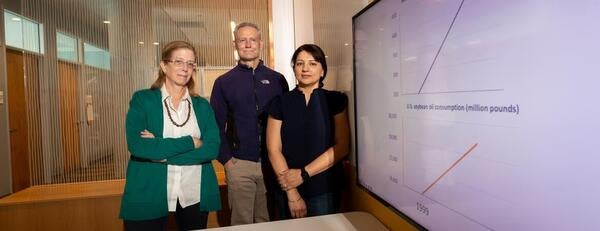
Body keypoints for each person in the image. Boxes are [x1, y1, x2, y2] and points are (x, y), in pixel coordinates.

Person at [120, 40, 221, 231]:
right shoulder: (143, 99)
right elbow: (138, 146)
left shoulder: (202, 106)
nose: (185, 68)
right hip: (149, 191)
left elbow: (212, 149)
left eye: (190, 63)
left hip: (193, 193)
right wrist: (191, 142)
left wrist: (160, 152)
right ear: (164, 66)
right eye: (178, 62)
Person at [210, 22, 289, 225]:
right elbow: (214, 126)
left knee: (268, 221)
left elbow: (287, 122)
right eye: (242, 40)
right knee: (241, 223)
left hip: (271, 164)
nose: (247, 44)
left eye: (252, 39)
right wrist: (226, 159)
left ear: (260, 43)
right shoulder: (223, 82)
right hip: (239, 165)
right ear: (235, 44)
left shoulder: (277, 80)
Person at [266, 44, 350, 218]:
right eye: (299, 63)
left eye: (312, 63)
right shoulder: (279, 102)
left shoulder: (335, 100)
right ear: (294, 68)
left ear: (322, 71)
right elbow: (273, 150)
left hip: (324, 188)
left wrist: (303, 174)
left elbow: (342, 146)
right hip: (288, 188)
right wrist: (291, 192)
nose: (305, 69)